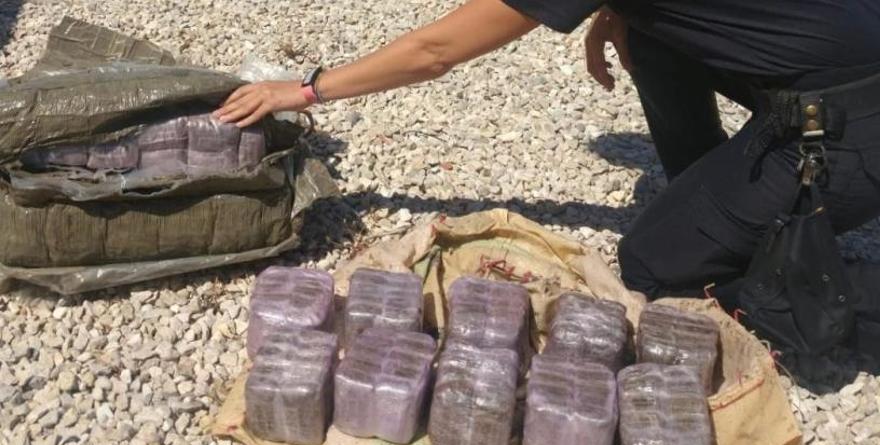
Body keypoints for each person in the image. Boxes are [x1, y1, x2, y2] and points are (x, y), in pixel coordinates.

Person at [215, 0, 880, 361]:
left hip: (850, 120)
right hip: (841, 63)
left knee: (650, 262)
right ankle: (723, 191)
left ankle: (822, 288)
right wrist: (613, 15)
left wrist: (305, 90)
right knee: (650, 36)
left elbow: (433, 52)